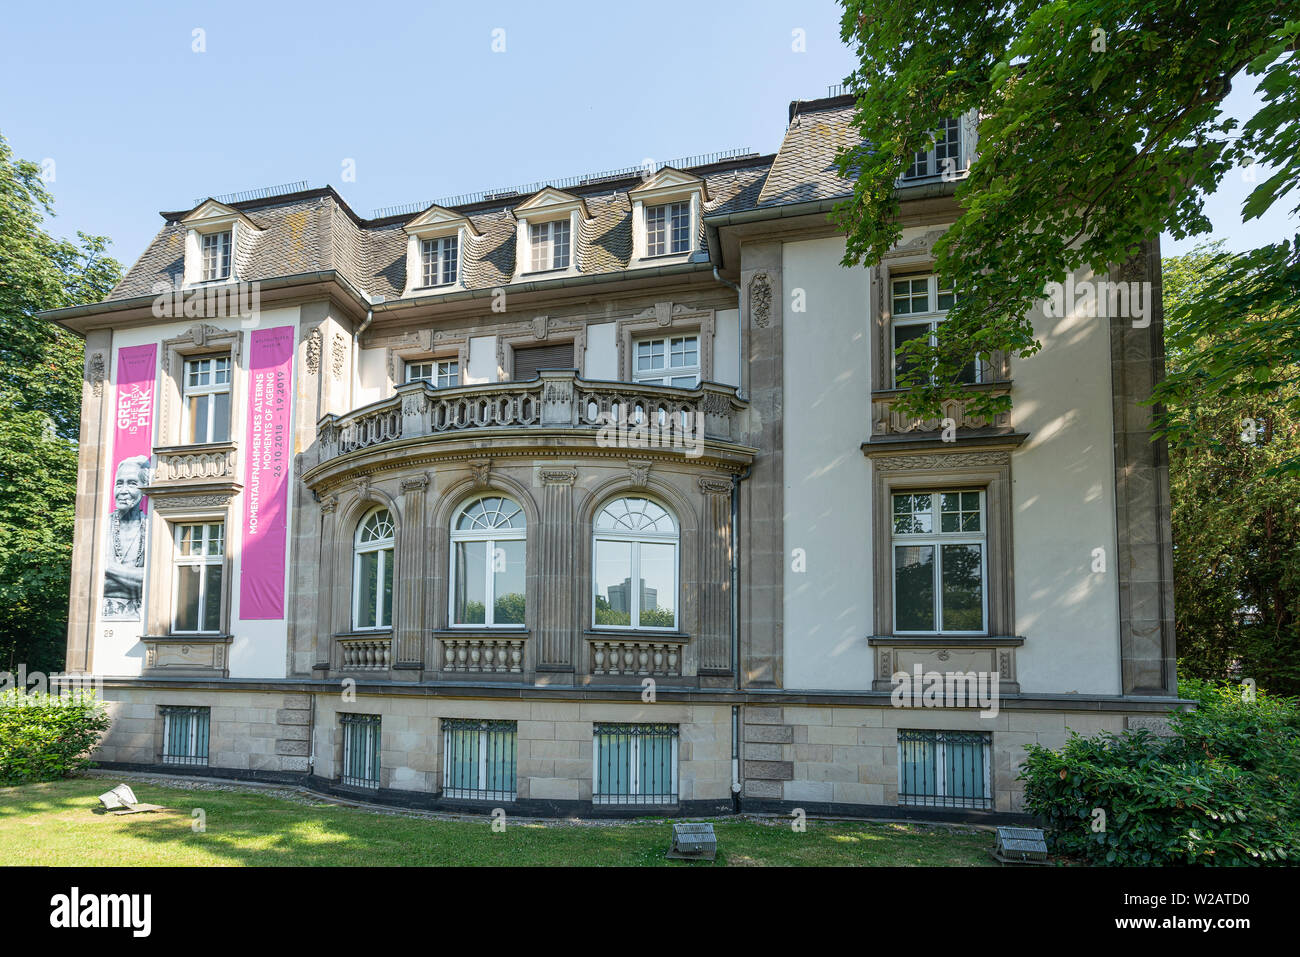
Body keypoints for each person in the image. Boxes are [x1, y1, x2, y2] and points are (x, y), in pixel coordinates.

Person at [103, 455, 150, 619]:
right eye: (119, 483)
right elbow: (91, 580)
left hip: (140, 617)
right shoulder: (101, 526)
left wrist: (107, 567)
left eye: (132, 483)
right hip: (103, 614)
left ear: (144, 488)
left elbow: (152, 580)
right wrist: (134, 578)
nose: (123, 491)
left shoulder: (152, 527)